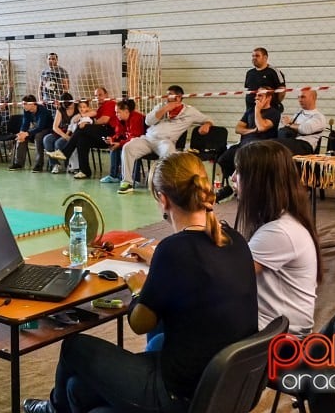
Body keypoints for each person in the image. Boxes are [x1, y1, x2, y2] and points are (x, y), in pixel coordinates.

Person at [21, 152, 257, 413]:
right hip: (225, 385)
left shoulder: (174, 249)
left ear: (163, 199)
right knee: (77, 388)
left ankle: (52, 410)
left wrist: (137, 290)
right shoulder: (234, 239)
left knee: (75, 347)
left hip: (180, 393)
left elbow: (140, 322)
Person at [233, 140, 320, 335]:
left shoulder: (279, 232)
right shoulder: (281, 220)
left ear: (258, 181)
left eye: (239, 172)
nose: (232, 178)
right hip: (273, 328)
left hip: (279, 340)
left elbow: (227, 276)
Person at [114, 86, 214, 194]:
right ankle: (127, 182)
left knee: (169, 152)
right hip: (148, 139)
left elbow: (208, 119)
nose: (166, 97)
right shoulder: (161, 106)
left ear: (178, 97)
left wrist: (207, 124)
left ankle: (164, 186)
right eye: (166, 95)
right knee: (128, 147)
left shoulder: (190, 111)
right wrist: (165, 109)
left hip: (165, 141)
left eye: (170, 95)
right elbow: (148, 121)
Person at [214, 87, 280, 200]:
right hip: (243, 143)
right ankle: (235, 185)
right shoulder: (249, 111)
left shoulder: (274, 113)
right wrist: (251, 130)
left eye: (260, 96)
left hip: (260, 146)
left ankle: (246, 187)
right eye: (256, 95)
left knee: (246, 157)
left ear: (269, 97)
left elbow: (262, 127)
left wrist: (257, 110)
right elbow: (238, 128)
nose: (256, 98)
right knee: (223, 159)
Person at [45, 87, 122, 179]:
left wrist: (88, 122)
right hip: (103, 135)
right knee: (82, 139)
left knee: (84, 127)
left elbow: (105, 120)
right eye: (96, 96)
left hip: (112, 134)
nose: (98, 97)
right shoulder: (100, 108)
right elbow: (93, 114)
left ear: (106, 95)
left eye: (100, 95)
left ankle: (65, 152)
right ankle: (85, 171)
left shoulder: (110, 103)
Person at [100, 99, 146, 184]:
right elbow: (119, 132)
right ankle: (113, 175)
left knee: (129, 148)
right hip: (130, 141)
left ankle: (134, 179)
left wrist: (120, 143)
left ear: (126, 111)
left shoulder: (136, 118)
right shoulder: (121, 119)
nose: (116, 114)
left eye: (118, 112)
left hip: (141, 142)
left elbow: (134, 137)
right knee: (113, 147)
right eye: (116, 112)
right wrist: (112, 139)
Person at [275, 89, 326, 156]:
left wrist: (289, 124)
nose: (300, 100)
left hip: (305, 145)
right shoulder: (298, 114)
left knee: (275, 145)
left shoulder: (319, 117)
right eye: (298, 97)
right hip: (293, 141)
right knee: (269, 144)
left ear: (313, 98)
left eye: (303, 97)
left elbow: (305, 129)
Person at [10, 95, 54, 172]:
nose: (23, 106)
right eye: (23, 104)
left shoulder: (42, 111)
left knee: (38, 136)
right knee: (21, 137)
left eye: (25, 104)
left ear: (32, 104)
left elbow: (40, 127)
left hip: (47, 130)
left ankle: (39, 164)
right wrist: (21, 133)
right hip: (36, 129)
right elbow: (25, 124)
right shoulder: (26, 111)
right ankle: (19, 163)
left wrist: (26, 133)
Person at [43, 93, 77, 174]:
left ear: (72, 102)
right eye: (66, 106)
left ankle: (69, 164)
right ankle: (55, 164)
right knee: (47, 139)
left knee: (58, 143)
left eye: (70, 105)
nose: (68, 108)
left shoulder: (78, 107)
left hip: (73, 132)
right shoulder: (60, 110)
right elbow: (55, 127)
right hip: (63, 132)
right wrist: (64, 136)